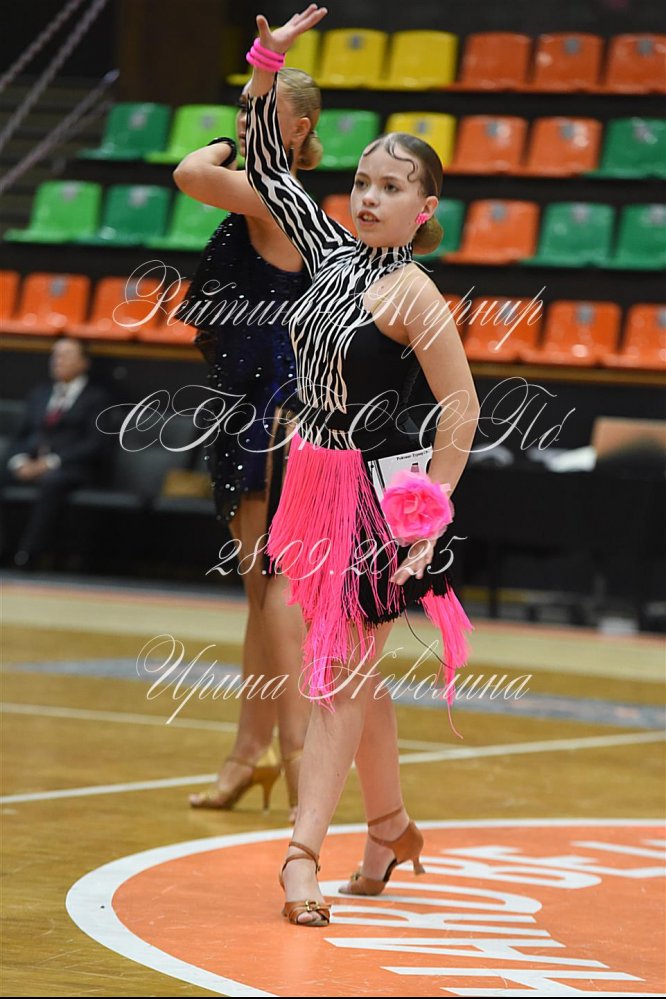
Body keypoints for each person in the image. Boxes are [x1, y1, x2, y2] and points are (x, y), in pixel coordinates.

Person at [244, 5, 480, 926]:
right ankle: (389, 828)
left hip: (378, 494)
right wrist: (267, 64)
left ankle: (301, 853)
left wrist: (430, 514)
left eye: (392, 187)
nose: (369, 196)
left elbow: (461, 408)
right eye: (362, 181)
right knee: (350, 666)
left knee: (336, 670)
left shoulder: (412, 292)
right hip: (312, 475)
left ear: (425, 211)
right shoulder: (330, 251)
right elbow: (268, 168)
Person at [172, 67, 323, 822]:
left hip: (272, 413)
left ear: (297, 129)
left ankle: (297, 767)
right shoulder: (274, 193)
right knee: (261, 599)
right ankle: (248, 753)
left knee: (276, 600)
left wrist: (228, 142)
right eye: (239, 108)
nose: (243, 120)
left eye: (259, 110)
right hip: (249, 405)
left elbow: (188, 171)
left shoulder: (274, 195)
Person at [1, 336, 110, 570]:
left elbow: (95, 443)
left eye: (66, 355)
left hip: (72, 468)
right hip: (31, 463)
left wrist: (50, 462)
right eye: (55, 355)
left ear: (84, 363)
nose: (58, 360)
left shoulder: (97, 398)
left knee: (52, 482)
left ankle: (28, 554)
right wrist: (19, 461)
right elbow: (20, 436)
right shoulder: (39, 394)